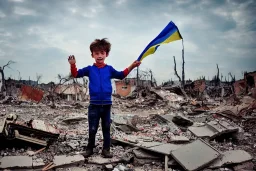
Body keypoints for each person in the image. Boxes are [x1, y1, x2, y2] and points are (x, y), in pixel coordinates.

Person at [68, 38, 141, 158]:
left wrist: (132, 65)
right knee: (92, 129)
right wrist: (73, 65)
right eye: (97, 53)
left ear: (106, 54)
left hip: (107, 105)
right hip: (94, 105)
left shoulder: (109, 69)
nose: (99, 55)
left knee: (106, 128)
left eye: (102, 53)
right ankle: (89, 149)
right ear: (92, 55)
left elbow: (121, 74)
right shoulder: (89, 69)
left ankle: (106, 150)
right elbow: (75, 74)